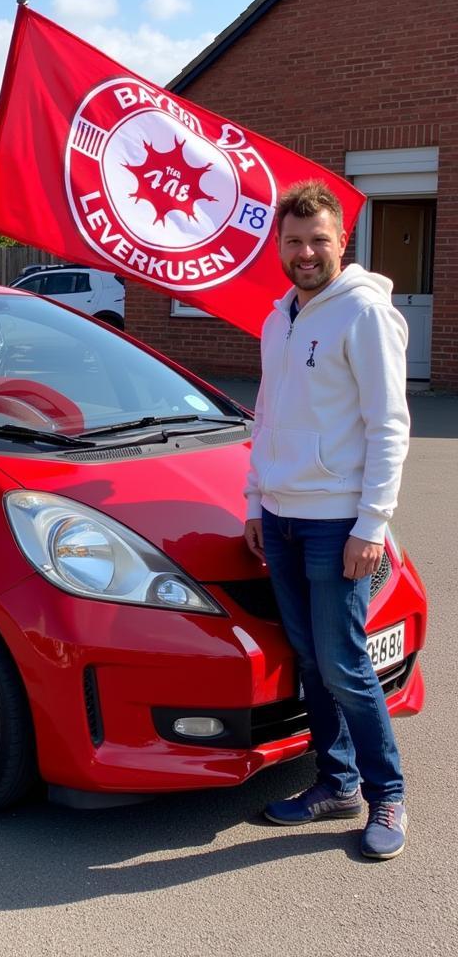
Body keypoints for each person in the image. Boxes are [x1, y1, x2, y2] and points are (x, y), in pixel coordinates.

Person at [243, 179, 411, 860]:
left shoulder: (362, 315)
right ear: (278, 247)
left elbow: (389, 426)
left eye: (319, 240)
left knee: (343, 664)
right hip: (281, 519)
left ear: (343, 241)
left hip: (336, 524)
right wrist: (256, 501)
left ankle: (388, 795)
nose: (306, 252)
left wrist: (372, 524)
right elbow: (267, 416)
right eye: (294, 241)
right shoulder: (277, 318)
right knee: (312, 658)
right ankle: (336, 783)